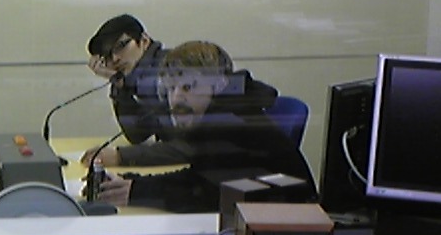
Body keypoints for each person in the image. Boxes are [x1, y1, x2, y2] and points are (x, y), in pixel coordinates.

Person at [93, 40, 317, 212]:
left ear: (219, 85)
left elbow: (207, 196)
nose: (176, 98)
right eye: (170, 89)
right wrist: (132, 183)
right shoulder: (219, 115)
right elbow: (199, 178)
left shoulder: (231, 122)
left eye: (188, 87)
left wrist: (137, 191)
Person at [81, 14, 172, 161]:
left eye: (120, 46)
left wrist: (120, 156)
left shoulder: (171, 66)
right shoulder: (129, 79)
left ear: (144, 41)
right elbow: (137, 135)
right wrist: (121, 86)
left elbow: (180, 141)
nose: (115, 58)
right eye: (107, 55)